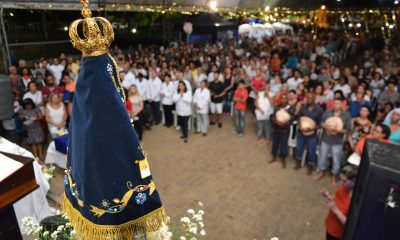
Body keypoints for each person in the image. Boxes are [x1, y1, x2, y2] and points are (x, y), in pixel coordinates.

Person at [63, 7, 167, 239]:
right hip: (107, 165)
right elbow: (121, 132)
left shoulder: (85, 82)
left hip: (90, 163)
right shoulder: (102, 81)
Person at [315, 98, 352, 184]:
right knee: (322, 157)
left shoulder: (346, 115)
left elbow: (348, 130)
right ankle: (321, 173)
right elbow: (321, 122)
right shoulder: (328, 112)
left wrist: (338, 130)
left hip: (337, 141)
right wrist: (326, 127)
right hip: (326, 139)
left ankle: (334, 176)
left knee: (336, 160)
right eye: (334, 103)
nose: (336, 105)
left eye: (338, 104)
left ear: (342, 105)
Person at [321, 165, 358, 240]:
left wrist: (335, 210)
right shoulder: (344, 188)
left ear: (354, 181)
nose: (341, 183)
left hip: (338, 234)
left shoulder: (356, 200)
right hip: (331, 225)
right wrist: (329, 197)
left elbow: (350, 226)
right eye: (340, 179)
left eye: (344, 181)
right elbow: (337, 199)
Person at [294, 93, 324, 174]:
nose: (309, 99)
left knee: (311, 150)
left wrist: (311, 128)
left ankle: (311, 166)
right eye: (308, 97)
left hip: (312, 134)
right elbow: (299, 118)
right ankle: (298, 163)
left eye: (311, 98)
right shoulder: (303, 108)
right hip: (301, 132)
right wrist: (300, 126)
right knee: (299, 148)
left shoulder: (319, 110)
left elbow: (320, 124)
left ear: (314, 99)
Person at [269, 94, 293, 168]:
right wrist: (275, 122)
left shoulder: (290, 109)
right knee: (275, 143)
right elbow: (273, 116)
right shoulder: (277, 107)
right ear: (280, 99)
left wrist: (284, 123)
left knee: (283, 145)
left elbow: (292, 119)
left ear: (287, 100)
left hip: (284, 130)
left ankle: (283, 159)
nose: (283, 100)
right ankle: (274, 157)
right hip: (276, 129)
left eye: (285, 98)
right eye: (282, 98)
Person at [18, 98, 45, 163]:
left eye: (29, 105)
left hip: (37, 127)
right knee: (33, 143)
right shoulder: (21, 109)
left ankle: (41, 156)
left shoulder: (36, 108)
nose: (28, 106)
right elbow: (19, 117)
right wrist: (23, 116)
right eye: (27, 105)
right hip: (28, 129)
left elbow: (41, 117)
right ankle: (36, 157)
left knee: (39, 142)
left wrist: (36, 118)